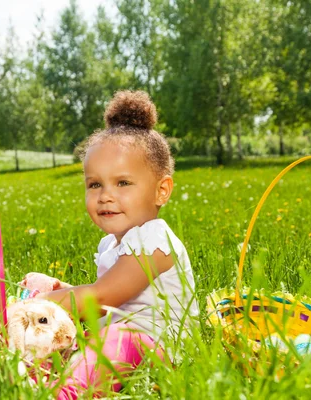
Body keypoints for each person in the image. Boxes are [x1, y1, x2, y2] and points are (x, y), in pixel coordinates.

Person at [27, 90, 199, 399]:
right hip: (121, 333)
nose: (105, 195)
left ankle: (66, 390)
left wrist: (38, 307)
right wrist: (53, 290)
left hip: (162, 348)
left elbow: (101, 296)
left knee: (117, 338)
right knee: (91, 327)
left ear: (161, 191)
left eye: (123, 183)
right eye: (95, 184)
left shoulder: (155, 241)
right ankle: (39, 363)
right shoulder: (111, 244)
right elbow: (108, 306)